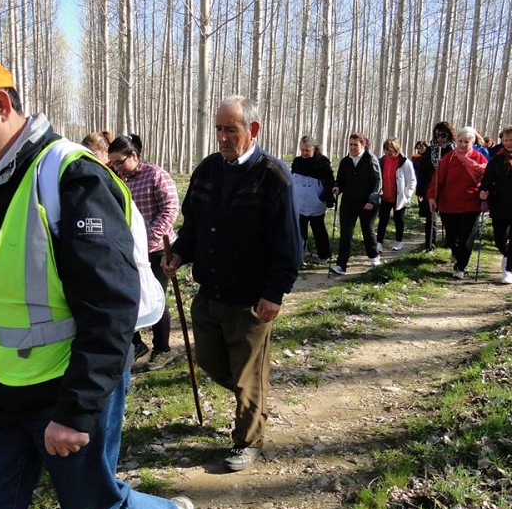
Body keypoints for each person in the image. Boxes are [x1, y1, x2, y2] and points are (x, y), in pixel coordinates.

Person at [0, 48, 195, 509]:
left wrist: (76, 409)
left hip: (65, 388)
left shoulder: (72, 177)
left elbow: (111, 310)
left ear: (0, 102)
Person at [162, 95, 301, 472]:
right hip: (210, 293)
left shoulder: (273, 176)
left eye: (231, 129)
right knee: (210, 361)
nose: (222, 136)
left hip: (251, 301)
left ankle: (248, 440)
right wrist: (178, 253)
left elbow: (289, 242)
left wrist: (275, 293)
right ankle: (253, 399)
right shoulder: (208, 170)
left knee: (247, 376)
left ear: (252, 130)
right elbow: (193, 225)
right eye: (219, 129)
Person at [108, 134, 180, 370]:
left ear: (134, 156)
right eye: (113, 163)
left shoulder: (156, 175)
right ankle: (137, 343)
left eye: (119, 162)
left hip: (158, 249)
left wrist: (148, 237)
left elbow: (170, 209)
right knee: (128, 296)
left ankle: (163, 349)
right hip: (129, 249)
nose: (116, 167)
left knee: (155, 295)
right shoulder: (117, 177)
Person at [428, 126, 487, 279]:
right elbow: (437, 180)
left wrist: (486, 192)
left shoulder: (479, 158)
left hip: (471, 204)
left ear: (472, 142)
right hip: (449, 204)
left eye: (466, 142)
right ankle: (456, 252)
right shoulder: (448, 158)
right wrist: (432, 197)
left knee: (467, 237)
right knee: (452, 236)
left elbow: (488, 178)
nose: (462, 144)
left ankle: (460, 266)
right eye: (460, 141)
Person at [330, 132, 382, 275]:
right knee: (346, 234)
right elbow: (340, 179)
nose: (352, 148)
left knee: (368, 230)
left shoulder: (371, 159)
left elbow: (377, 182)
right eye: (351, 144)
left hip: (367, 203)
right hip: (348, 202)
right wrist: (337, 187)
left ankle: (374, 256)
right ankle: (341, 265)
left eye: (356, 145)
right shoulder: (345, 161)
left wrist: (372, 200)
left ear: (363, 144)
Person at [290, 135, 335, 264]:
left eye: (307, 150)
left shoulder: (322, 162)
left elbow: (330, 181)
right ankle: (298, 257)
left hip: (316, 204)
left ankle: (324, 255)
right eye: (302, 150)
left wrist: (326, 196)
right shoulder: (297, 162)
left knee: (319, 231)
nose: (304, 153)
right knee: (299, 233)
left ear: (314, 149)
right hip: (299, 204)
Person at [415, 121, 456, 252]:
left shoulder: (453, 151)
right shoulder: (430, 150)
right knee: (430, 217)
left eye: (443, 135)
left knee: (448, 219)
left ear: (449, 135)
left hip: (448, 189)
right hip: (430, 188)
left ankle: (451, 244)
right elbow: (422, 171)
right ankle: (429, 246)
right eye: (437, 135)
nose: (440, 138)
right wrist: (420, 190)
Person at [479, 125, 512, 284]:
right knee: (500, 239)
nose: (508, 143)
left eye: (511, 140)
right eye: (505, 140)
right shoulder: (496, 159)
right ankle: (506, 256)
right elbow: (486, 179)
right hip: (500, 202)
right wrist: (484, 190)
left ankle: (508, 270)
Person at [376, 137, 417, 252]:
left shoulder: (405, 162)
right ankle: (379, 242)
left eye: (391, 152)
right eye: (386, 151)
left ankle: (399, 241)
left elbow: (412, 180)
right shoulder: (382, 161)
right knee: (383, 220)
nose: (389, 154)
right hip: (384, 196)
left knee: (399, 219)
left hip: (399, 197)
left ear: (397, 150)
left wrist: (407, 195)